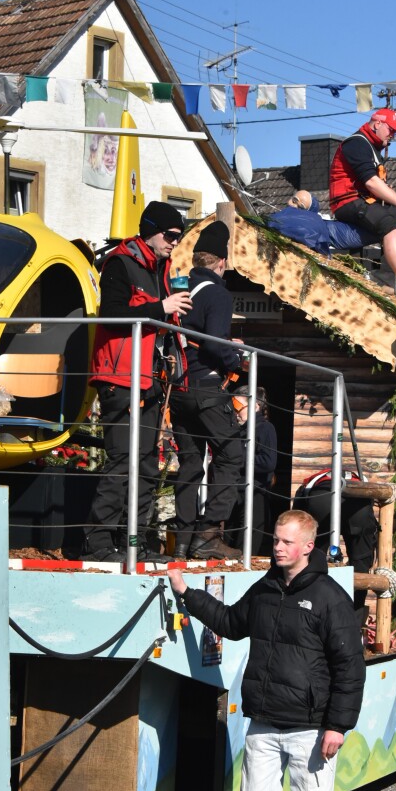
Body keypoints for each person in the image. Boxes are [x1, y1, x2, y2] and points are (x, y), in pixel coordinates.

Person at [168, 510, 365, 791]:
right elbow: (230, 623)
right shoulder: (265, 588)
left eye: (287, 542)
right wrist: (187, 592)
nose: (277, 547)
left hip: (312, 727)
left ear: (308, 547)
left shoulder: (330, 598)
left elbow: (350, 666)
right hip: (264, 720)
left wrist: (338, 725)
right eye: (275, 539)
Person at [77, 200, 192, 562]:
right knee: (122, 460)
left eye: (179, 236)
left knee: (145, 463)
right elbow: (110, 314)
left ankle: (134, 543)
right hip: (119, 376)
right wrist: (161, 308)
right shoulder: (121, 263)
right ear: (152, 231)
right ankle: (96, 544)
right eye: (171, 235)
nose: (175, 242)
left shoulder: (162, 269)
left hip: (150, 378)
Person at [170, 220, 244, 560]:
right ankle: (209, 533)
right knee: (231, 453)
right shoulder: (217, 292)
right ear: (222, 263)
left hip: (180, 388)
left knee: (190, 464)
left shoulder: (179, 290)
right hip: (208, 386)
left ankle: (183, 541)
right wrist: (236, 358)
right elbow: (215, 345)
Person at [329, 108, 396, 305]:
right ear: (377, 123)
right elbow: (371, 183)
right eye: (391, 130)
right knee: (388, 223)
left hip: (365, 202)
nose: (394, 135)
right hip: (347, 203)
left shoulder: (372, 148)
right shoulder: (356, 143)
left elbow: (375, 187)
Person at [292, 470, 378, 619]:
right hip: (359, 502)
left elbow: (298, 515)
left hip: (321, 498)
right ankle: (354, 621)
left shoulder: (311, 481)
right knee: (360, 565)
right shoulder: (361, 480)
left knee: (312, 560)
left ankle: (308, 614)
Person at [226, 385, 278, 555]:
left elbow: (268, 462)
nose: (235, 412)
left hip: (254, 493)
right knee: (229, 542)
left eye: (238, 407)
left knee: (246, 546)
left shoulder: (265, 428)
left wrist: (236, 460)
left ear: (255, 406)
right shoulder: (237, 430)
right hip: (234, 493)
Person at [268, 190, 374, 256]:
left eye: (301, 207)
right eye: (294, 200)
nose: (294, 206)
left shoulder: (320, 225)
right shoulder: (275, 217)